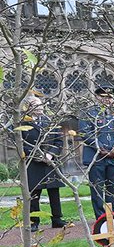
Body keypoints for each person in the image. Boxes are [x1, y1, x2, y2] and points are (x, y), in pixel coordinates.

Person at [20, 97, 67, 231]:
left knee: (54, 191)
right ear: (28, 107)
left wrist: (50, 154)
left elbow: (58, 141)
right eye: (36, 105)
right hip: (33, 163)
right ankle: (34, 221)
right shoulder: (22, 123)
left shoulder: (50, 122)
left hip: (50, 162)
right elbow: (20, 144)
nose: (40, 107)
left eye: (41, 105)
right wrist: (37, 155)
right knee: (34, 194)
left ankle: (57, 219)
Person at [78, 83, 114, 219]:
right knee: (97, 189)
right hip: (96, 157)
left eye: (110, 97)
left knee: (113, 188)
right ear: (97, 97)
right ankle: (101, 218)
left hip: (113, 157)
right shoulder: (89, 113)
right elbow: (85, 133)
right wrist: (100, 148)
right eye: (103, 97)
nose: (107, 100)